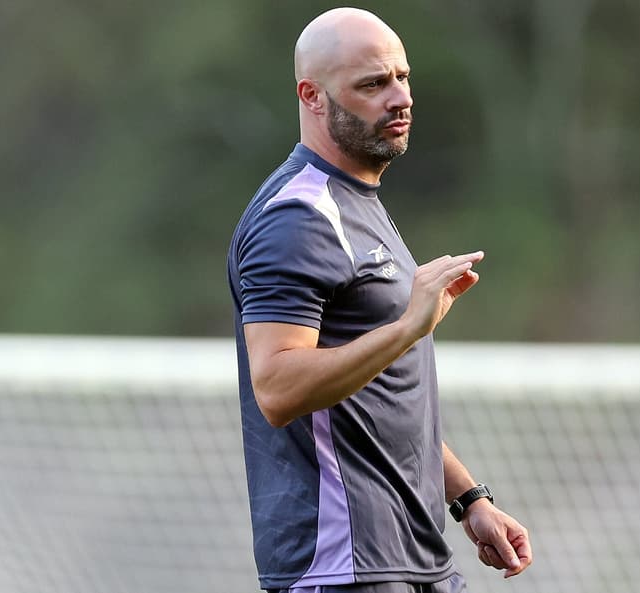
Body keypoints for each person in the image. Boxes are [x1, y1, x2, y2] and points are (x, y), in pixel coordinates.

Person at [226, 7, 532, 593]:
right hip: (343, 567)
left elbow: (379, 398)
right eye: (372, 84)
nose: (400, 97)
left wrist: (468, 499)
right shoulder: (297, 216)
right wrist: (406, 329)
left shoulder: (359, 201)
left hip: (416, 557)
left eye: (403, 77)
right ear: (311, 96)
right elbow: (278, 387)